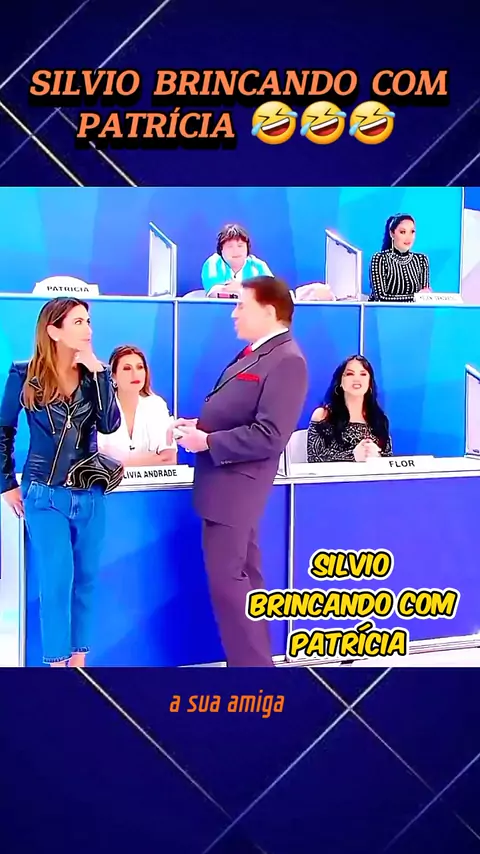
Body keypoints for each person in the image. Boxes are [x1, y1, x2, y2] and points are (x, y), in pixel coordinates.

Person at [174, 276, 308, 667]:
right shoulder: (256, 353)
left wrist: (208, 442)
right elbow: (236, 411)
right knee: (242, 584)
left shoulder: (287, 360)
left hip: (237, 488)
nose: (234, 314)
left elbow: (270, 435)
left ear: (268, 312)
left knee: (230, 586)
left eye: (241, 306)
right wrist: (200, 426)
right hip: (223, 487)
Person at [0, 297, 121, 667]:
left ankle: (80, 665)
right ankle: (56, 667)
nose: (88, 329)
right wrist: (6, 482)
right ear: (53, 331)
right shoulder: (24, 374)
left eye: (88, 321)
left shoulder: (94, 375)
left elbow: (110, 424)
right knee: (56, 582)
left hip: (89, 494)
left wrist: (100, 374)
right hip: (44, 493)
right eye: (78, 322)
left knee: (86, 580)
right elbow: (3, 431)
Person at [97, 345, 176, 466]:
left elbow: (168, 459)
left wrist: (115, 465)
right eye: (127, 368)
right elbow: (93, 464)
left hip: (149, 480)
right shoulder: (99, 409)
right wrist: (151, 459)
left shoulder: (156, 406)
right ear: (113, 376)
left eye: (140, 367)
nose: (135, 374)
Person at [307, 355, 392, 462]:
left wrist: (377, 457)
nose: (356, 379)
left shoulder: (379, 419)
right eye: (350, 374)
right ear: (340, 382)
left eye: (363, 374)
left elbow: (389, 460)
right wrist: (353, 456)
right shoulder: (323, 415)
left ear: (370, 383)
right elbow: (314, 458)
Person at [369, 213, 431, 302]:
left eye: (412, 232)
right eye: (403, 232)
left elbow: (424, 296)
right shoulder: (380, 259)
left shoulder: (421, 260)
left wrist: (422, 297)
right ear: (392, 233)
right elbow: (380, 297)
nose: (408, 237)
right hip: (383, 310)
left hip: (414, 310)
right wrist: (415, 297)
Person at [201, 223, 273, 297]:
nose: (236, 251)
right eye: (230, 246)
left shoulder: (259, 266)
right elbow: (215, 294)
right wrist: (251, 292)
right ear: (221, 249)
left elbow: (272, 293)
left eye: (240, 246)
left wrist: (240, 289)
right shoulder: (213, 264)